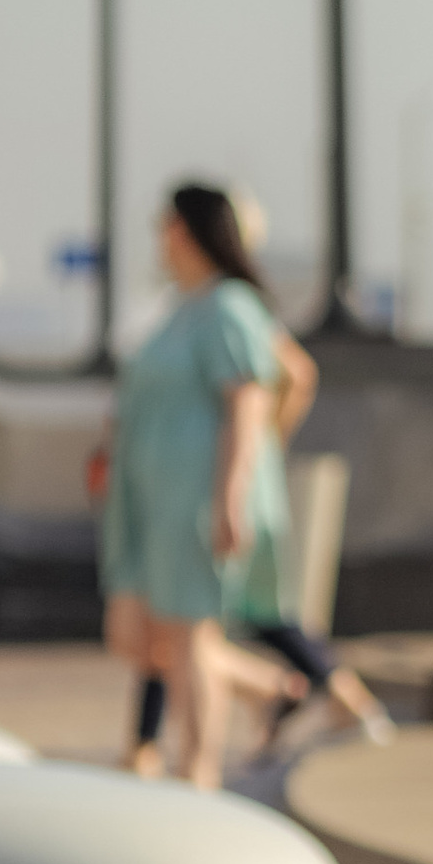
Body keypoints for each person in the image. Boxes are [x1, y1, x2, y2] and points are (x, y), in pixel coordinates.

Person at [96, 183, 287, 790]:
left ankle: (197, 777)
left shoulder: (229, 306)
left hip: (195, 495)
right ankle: (268, 688)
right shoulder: (181, 305)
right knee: (145, 636)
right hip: (149, 498)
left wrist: (231, 496)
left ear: (184, 230)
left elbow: (249, 401)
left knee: (189, 631)